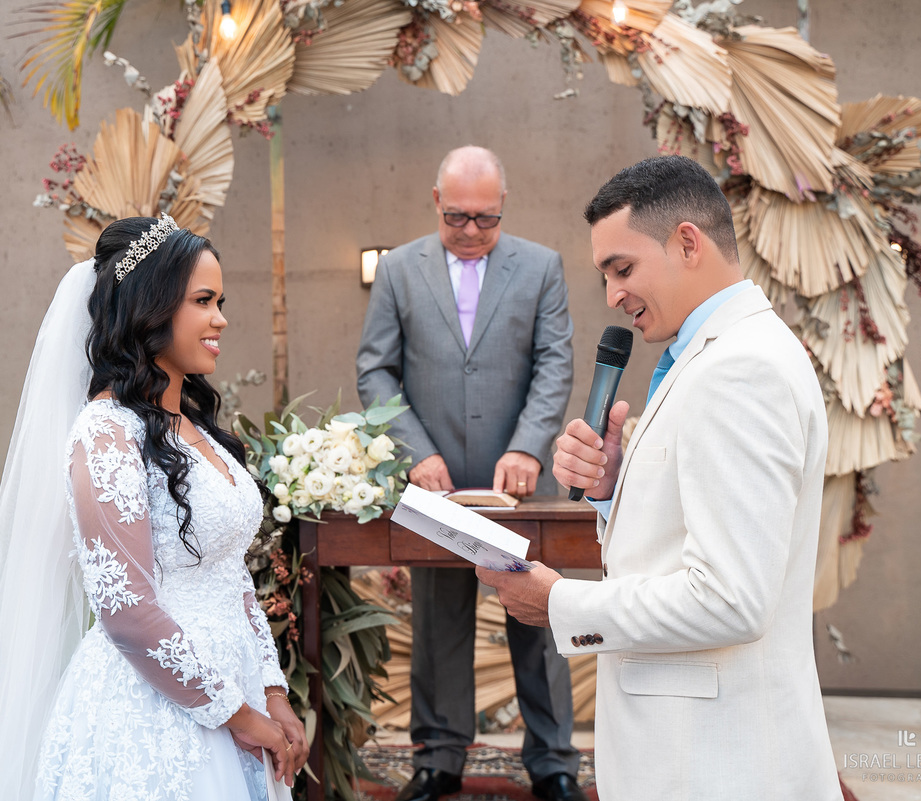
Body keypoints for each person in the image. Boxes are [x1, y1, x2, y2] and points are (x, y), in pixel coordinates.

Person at [478, 155, 843, 799]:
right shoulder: (716, 355)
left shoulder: (739, 370)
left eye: (623, 269)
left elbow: (731, 598)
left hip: (715, 761)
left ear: (686, 242)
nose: (613, 296)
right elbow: (686, 537)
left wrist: (559, 604)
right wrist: (613, 486)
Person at [0, 214, 309, 800]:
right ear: (151, 308)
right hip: (153, 711)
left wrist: (271, 689)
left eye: (221, 300)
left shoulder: (197, 429)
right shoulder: (107, 434)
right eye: (204, 301)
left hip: (235, 687)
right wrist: (236, 715)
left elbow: (230, 572)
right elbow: (127, 609)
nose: (222, 319)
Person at [357, 146, 581, 801]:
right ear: (435, 202)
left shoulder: (541, 266)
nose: (473, 230)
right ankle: (440, 755)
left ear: (503, 207)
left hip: (519, 481)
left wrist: (531, 447)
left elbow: (554, 364)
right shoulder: (399, 269)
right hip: (434, 481)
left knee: (537, 617)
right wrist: (412, 449)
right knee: (437, 619)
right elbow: (375, 370)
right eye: (459, 216)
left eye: (487, 218)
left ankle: (553, 759)